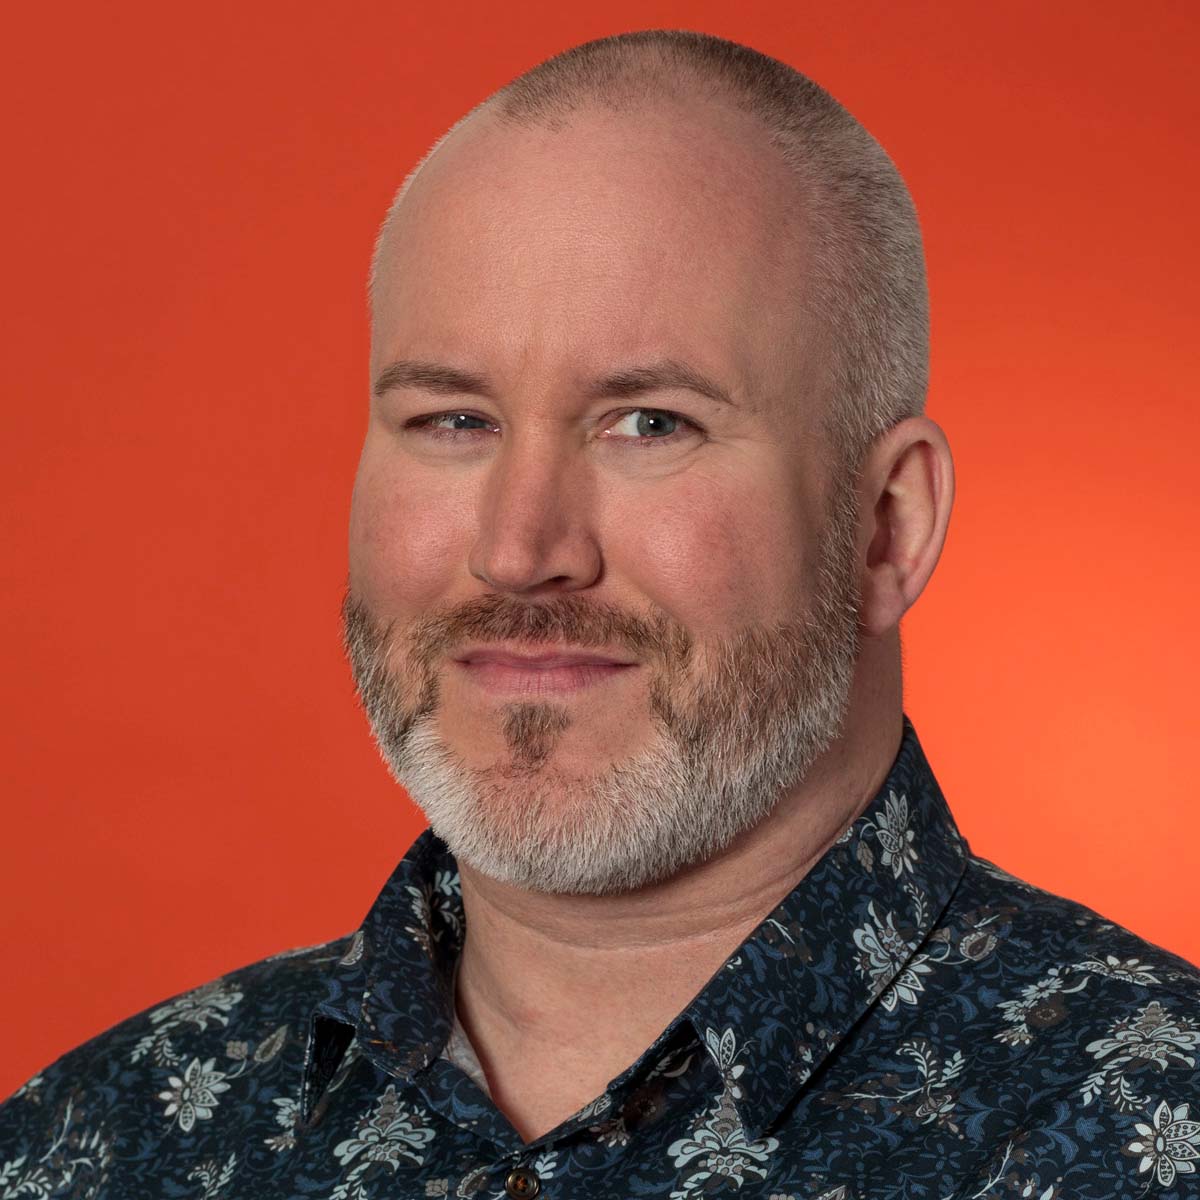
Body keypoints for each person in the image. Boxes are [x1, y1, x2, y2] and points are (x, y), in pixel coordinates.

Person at [2, 27, 1197, 1200]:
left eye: (650, 423)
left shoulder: (1151, 1129)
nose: (520, 552)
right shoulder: (84, 1146)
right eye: (453, 420)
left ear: (886, 524)